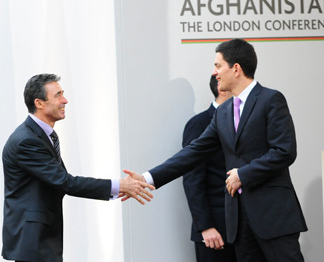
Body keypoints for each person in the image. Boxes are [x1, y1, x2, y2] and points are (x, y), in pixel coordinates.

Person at [125, 39, 307, 262]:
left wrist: (243, 174)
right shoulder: (223, 112)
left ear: (236, 69)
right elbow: (194, 152)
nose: (215, 73)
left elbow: (284, 151)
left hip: (273, 216)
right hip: (239, 221)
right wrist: (147, 178)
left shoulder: (271, 99)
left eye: (218, 66)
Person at [2, 73, 154, 262]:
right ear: (39, 103)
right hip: (33, 242)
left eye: (63, 94)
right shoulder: (27, 141)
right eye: (58, 95)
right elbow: (65, 182)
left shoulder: (39, 135)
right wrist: (120, 186)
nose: (64, 100)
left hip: (41, 240)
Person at [182, 75, 236, 261]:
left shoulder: (246, 122)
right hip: (215, 231)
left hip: (246, 230)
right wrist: (205, 226)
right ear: (222, 89)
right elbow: (192, 179)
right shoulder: (198, 125)